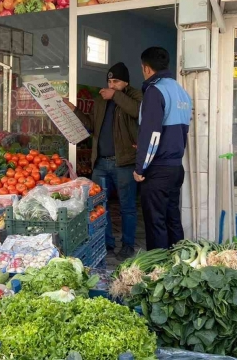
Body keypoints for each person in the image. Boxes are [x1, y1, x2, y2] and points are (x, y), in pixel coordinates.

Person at [64, 62, 142, 260]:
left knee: (127, 207)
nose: (111, 84)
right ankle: (106, 242)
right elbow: (91, 124)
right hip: (100, 163)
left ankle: (127, 245)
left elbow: (137, 112)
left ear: (126, 82)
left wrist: (115, 95)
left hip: (124, 162)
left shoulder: (135, 96)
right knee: (100, 205)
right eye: (109, 81)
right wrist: (75, 110)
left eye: (116, 81)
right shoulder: (101, 100)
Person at [133, 47, 192, 250]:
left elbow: (152, 135)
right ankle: (179, 266)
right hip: (176, 168)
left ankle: (157, 271)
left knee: (156, 223)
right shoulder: (182, 92)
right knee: (172, 219)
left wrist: (140, 168)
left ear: (147, 68)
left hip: (158, 169)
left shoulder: (154, 91)